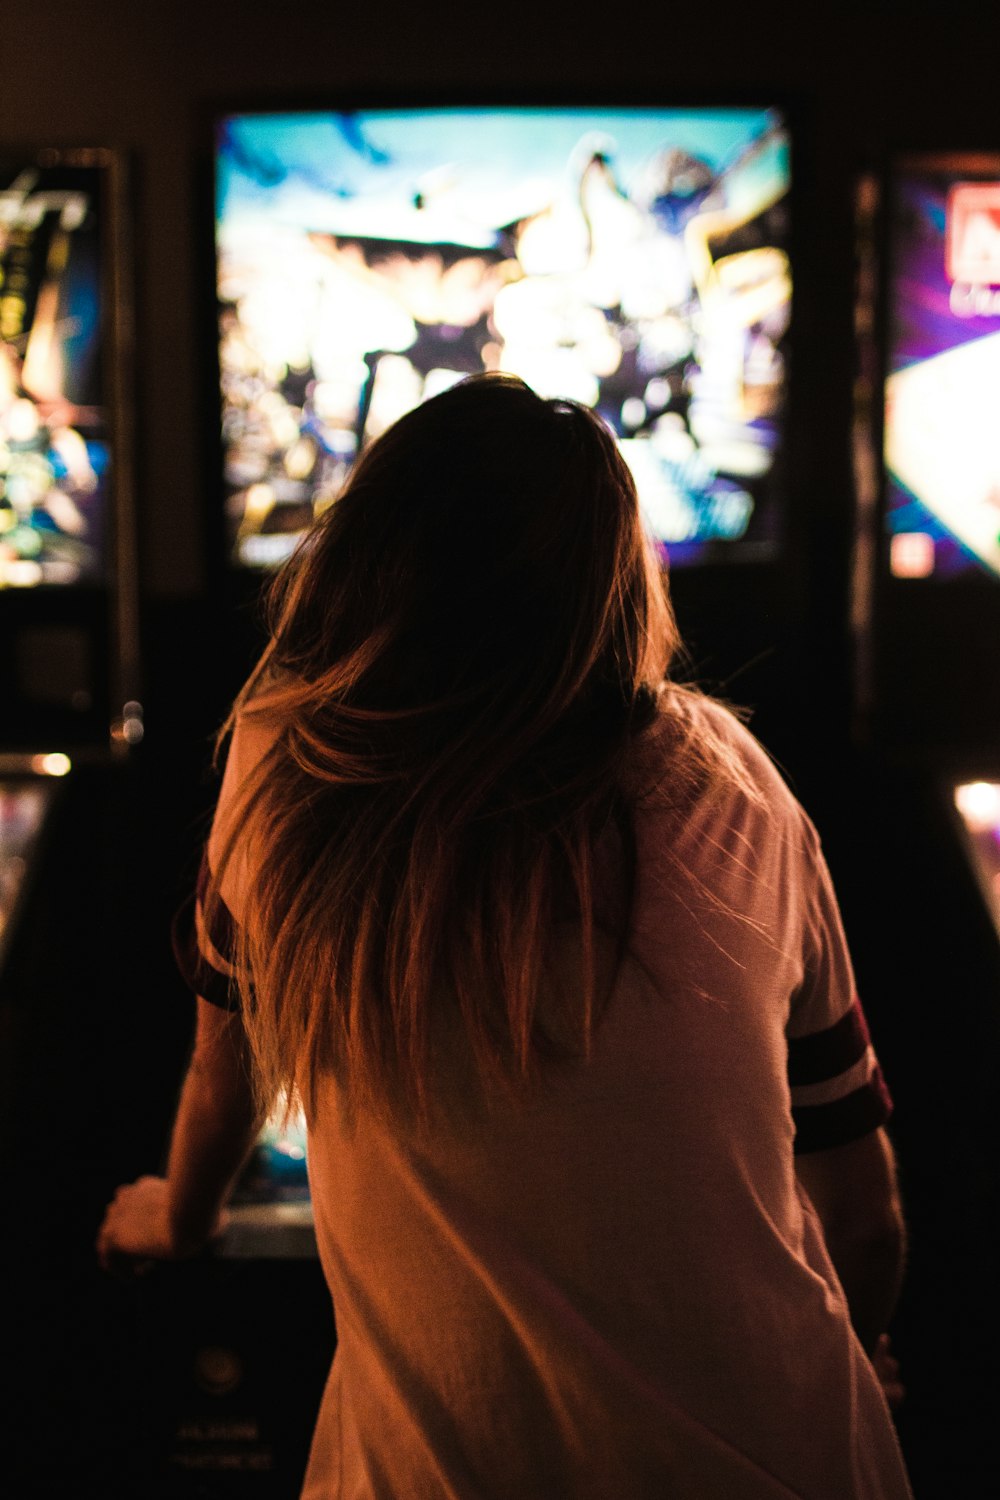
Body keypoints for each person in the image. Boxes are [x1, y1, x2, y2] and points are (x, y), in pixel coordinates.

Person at [98, 374, 913, 1499]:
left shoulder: (284, 764)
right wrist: (850, 1354)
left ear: (364, 556)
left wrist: (179, 1218)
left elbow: (223, 1069)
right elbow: (865, 1220)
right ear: (614, 588)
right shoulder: (736, 791)